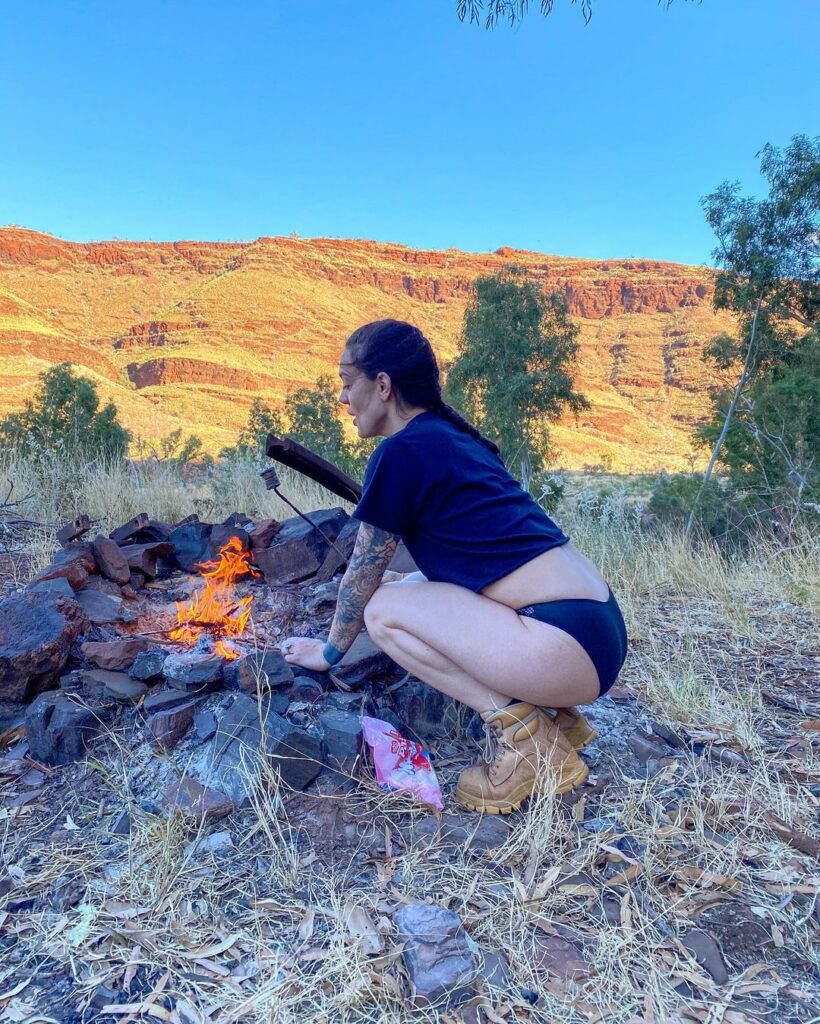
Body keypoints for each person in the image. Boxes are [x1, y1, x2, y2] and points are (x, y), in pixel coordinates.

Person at [278, 319, 628, 814]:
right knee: (400, 589)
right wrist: (409, 581)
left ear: (383, 385)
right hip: (595, 629)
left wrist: (329, 652)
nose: (342, 397)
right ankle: (557, 721)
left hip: (563, 642)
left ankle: (528, 742)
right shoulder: (453, 439)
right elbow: (486, 560)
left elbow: (362, 573)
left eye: (347, 382)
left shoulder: (401, 452)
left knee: (381, 611)